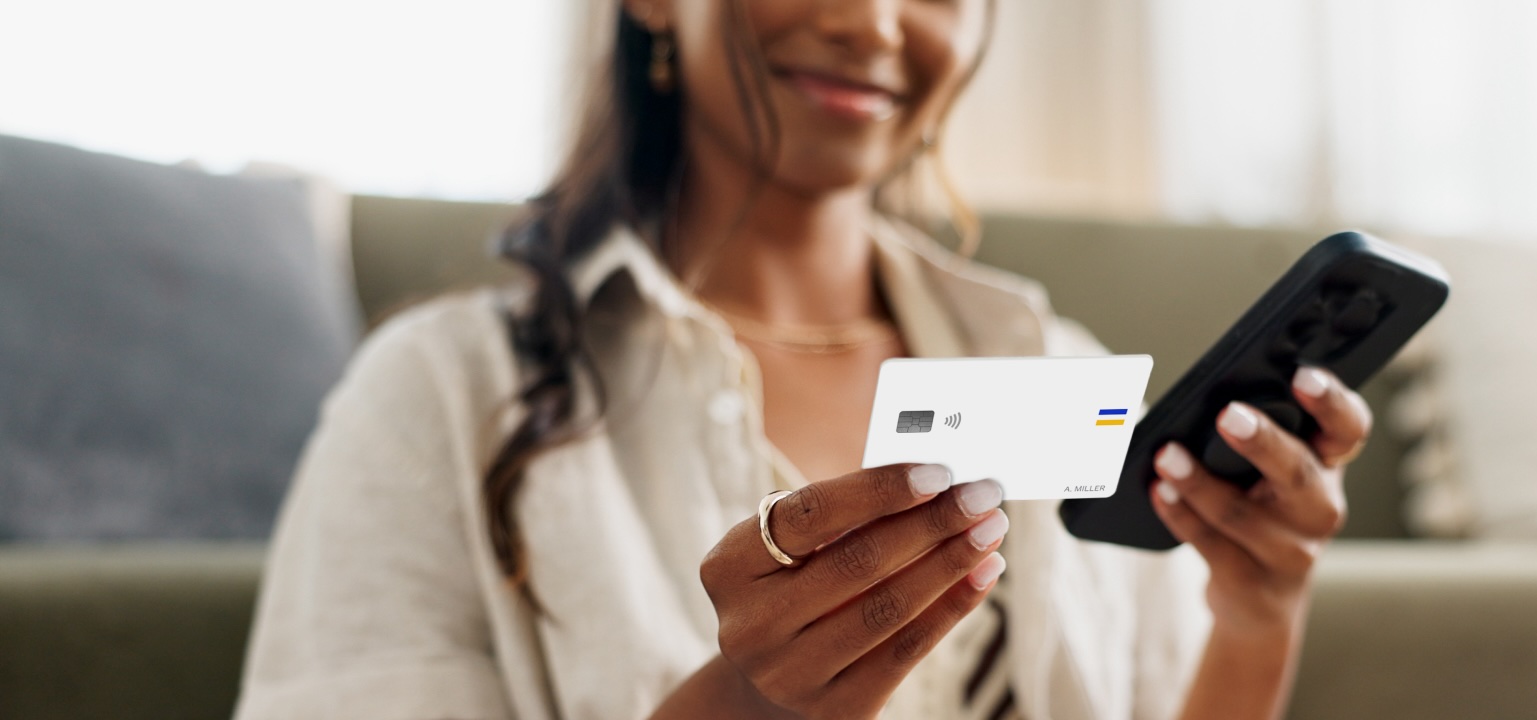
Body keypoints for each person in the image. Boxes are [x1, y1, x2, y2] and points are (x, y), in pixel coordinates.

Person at [234, 0, 1369, 718]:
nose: (876, 23)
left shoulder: (1047, 372)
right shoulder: (440, 393)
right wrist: (743, 704)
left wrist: (1257, 617)